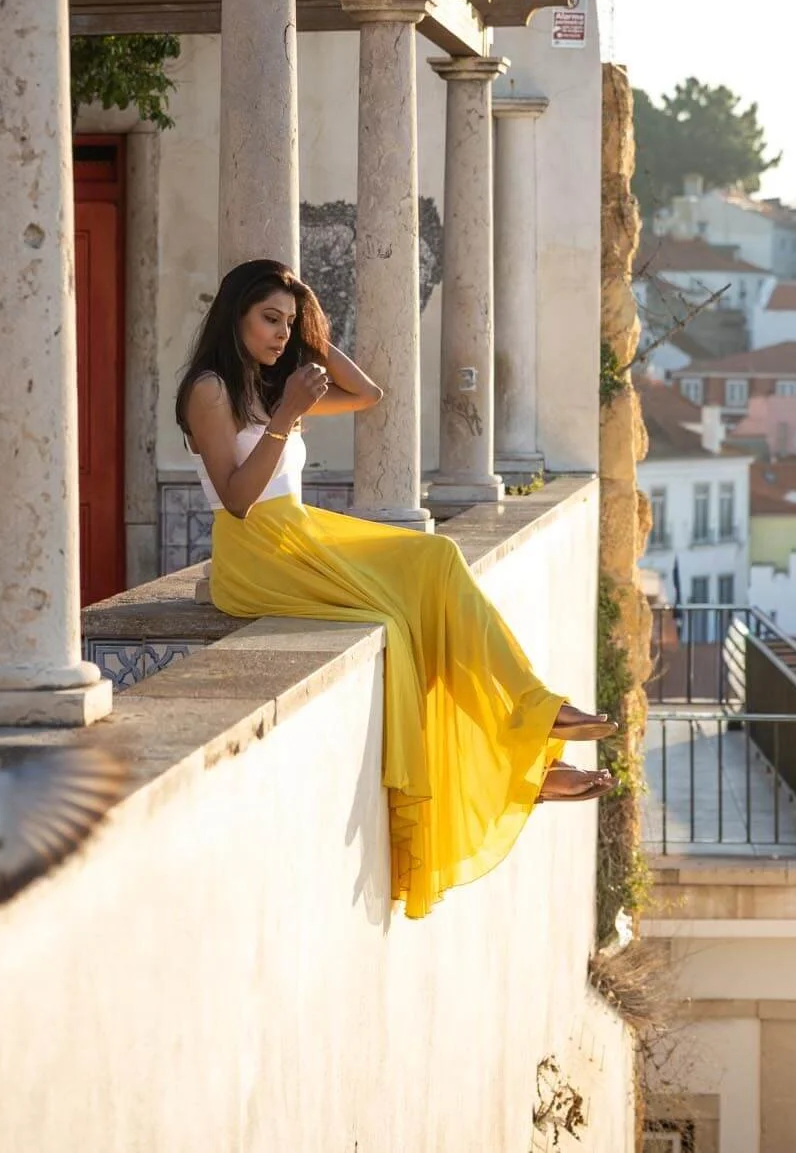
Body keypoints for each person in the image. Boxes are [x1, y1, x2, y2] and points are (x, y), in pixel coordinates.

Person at [178, 259, 616, 919]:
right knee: (397, 620)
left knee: (436, 558)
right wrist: (285, 416)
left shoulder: (271, 379)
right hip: (256, 553)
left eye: (287, 322)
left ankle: (530, 719)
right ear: (235, 312)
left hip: (301, 531)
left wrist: (308, 330)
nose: (279, 332)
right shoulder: (210, 390)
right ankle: (523, 769)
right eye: (269, 317)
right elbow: (238, 499)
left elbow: (367, 392)